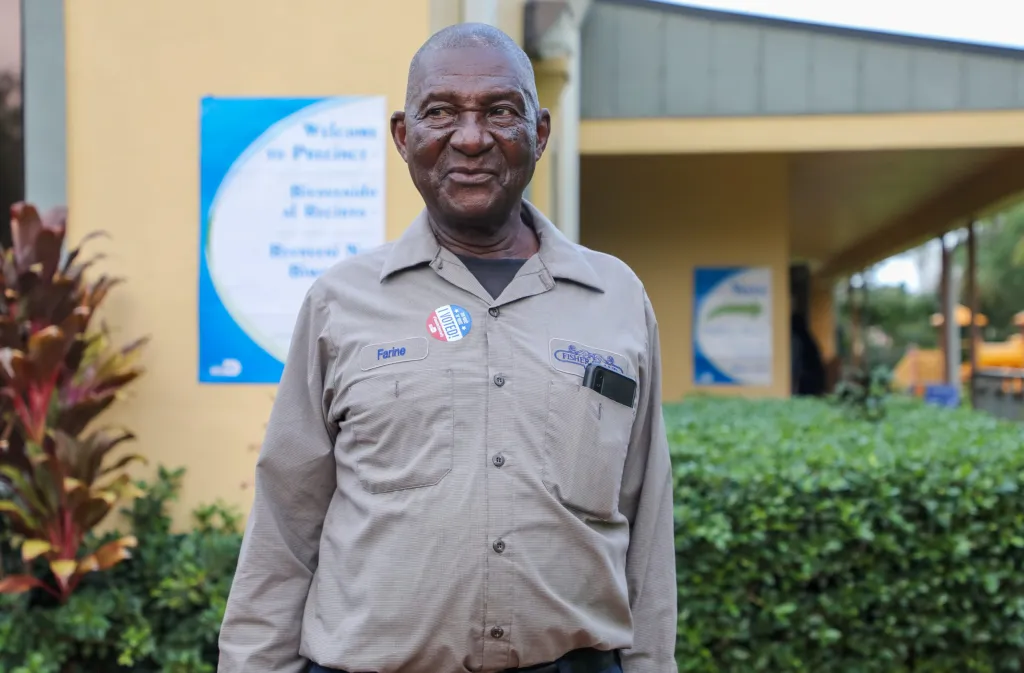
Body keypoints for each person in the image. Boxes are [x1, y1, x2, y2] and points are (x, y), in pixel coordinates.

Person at [217, 22, 676, 673]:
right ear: (405, 136)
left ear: (539, 132)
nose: (470, 137)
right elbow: (285, 524)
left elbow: (647, 519)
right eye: (441, 112)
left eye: (499, 111)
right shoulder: (339, 303)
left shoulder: (617, 300)